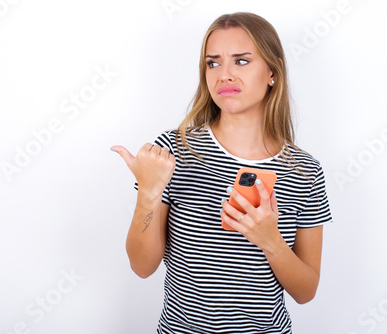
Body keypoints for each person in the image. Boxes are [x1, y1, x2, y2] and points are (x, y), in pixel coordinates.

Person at [111, 12, 333, 334]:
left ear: (273, 71)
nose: (224, 75)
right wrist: (148, 193)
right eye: (213, 63)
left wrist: (270, 240)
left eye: (241, 61)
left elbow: (306, 291)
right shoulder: (174, 151)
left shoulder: (303, 170)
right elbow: (142, 267)